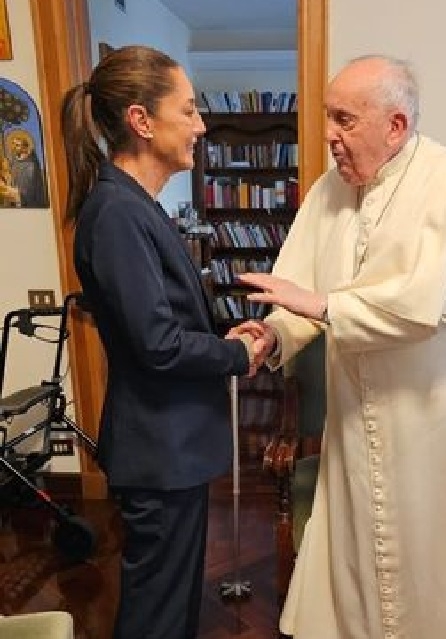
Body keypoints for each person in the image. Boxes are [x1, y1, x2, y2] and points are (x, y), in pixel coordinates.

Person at [234, 55, 446, 639]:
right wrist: (274, 330)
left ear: (395, 125)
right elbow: (300, 282)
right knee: (362, 545)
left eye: (344, 120)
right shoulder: (331, 189)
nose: (328, 135)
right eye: (328, 118)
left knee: (442, 554)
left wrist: (320, 307)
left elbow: (419, 306)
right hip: (364, 407)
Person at [60, 45, 262, 639]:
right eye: (191, 110)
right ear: (141, 122)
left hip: (170, 450)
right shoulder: (116, 213)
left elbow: (163, 322)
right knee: (155, 617)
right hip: (157, 453)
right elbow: (158, 344)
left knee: (171, 609)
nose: (201, 125)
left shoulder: (135, 206)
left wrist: (227, 334)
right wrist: (238, 354)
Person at [7, 131, 48, 207]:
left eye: (17, 145)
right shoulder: (14, 164)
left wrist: (19, 196)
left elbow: (33, 190)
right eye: (13, 144)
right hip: (15, 203)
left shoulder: (31, 165)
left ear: (25, 147)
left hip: (29, 204)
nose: (14, 147)